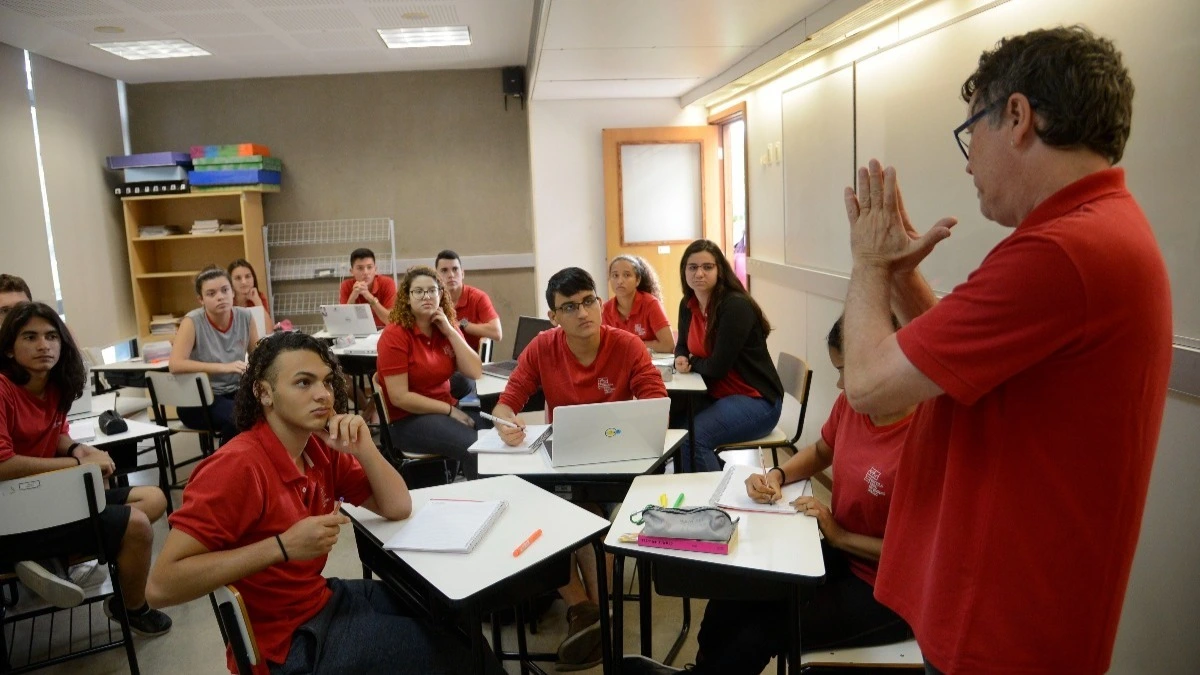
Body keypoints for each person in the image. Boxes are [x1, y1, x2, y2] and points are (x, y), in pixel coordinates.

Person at [840, 27, 1172, 674]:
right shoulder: (1093, 231)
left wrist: (868, 265)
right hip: (1014, 615)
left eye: (972, 133)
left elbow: (868, 385)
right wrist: (903, 275)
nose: (968, 162)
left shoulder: (1062, 253)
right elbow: (960, 366)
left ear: (1017, 117)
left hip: (1003, 629)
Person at [147, 331, 502, 674]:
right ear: (264, 393)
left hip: (318, 599)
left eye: (327, 382)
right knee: (463, 655)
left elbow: (397, 506)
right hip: (285, 646)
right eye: (304, 383)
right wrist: (282, 547)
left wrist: (364, 446)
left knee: (450, 616)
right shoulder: (237, 467)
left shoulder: (318, 447)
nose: (323, 395)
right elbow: (160, 587)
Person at [624, 316, 913, 675]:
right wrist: (776, 474)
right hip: (843, 554)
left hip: (892, 590)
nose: (840, 384)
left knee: (761, 631)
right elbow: (823, 450)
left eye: (846, 371)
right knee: (734, 592)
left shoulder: (926, 440)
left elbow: (923, 555)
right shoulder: (854, 406)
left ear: (889, 365)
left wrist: (840, 536)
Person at [491, 267, 667, 671]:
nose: (583, 312)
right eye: (569, 307)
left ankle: (589, 615)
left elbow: (655, 404)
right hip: (563, 463)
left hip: (620, 463)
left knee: (589, 520)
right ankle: (589, 611)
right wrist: (506, 425)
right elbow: (508, 401)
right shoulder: (542, 347)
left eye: (589, 300)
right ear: (554, 317)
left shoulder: (628, 345)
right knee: (538, 516)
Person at [0, 302, 171, 634]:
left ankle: (49, 558)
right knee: (136, 526)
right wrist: (77, 465)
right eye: (30, 337)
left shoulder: (53, 386)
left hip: (47, 498)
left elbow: (56, 434)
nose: (43, 345)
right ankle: (131, 607)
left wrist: (82, 449)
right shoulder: (3, 389)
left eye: (51, 336)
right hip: (11, 509)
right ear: (8, 348)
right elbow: (2, 463)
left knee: (153, 498)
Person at [674, 239, 783, 472]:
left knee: (694, 439)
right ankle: (691, 490)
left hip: (756, 400)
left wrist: (692, 362)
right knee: (675, 428)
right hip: (718, 395)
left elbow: (716, 367)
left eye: (707, 267)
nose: (699, 273)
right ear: (684, 271)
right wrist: (681, 357)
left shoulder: (735, 306)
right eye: (692, 267)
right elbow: (682, 344)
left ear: (720, 270)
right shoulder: (688, 304)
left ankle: (715, 502)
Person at [376, 266, 485, 479]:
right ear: (407, 298)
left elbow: (474, 371)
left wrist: (451, 331)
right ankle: (481, 505)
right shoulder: (395, 335)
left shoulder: (445, 325)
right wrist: (450, 411)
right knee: (475, 448)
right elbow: (400, 397)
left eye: (432, 290)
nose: (426, 296)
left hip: (442, 408)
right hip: (407, 419)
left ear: (441, 294)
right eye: (418, 291)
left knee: (497, 434)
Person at [169, 266, 261, 443]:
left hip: (236, 393)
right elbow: (176, 364)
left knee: (269, 414)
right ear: (200, 300)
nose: (220, 297)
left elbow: (258, 357)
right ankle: (226, 466)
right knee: (238, 417)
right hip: (198, 399)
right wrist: (223, 368)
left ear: (232, 293)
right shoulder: (192, 321)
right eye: (211, 293)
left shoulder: (245, 317)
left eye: (225, 290)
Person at [435, 249, 501, 400]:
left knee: (451, 383)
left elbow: (497, 332)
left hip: (466, 368)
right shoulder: (432, 299)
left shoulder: (477, 297)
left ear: (463, 273)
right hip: (440, 363)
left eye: (455, 269)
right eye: (444, 270)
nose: (451, 275)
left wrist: (460, 325)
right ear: (437, 276)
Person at [602, 254, 674, 353]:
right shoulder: (605, 309)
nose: (620, 281)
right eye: (615, 275)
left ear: (638, 280)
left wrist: (630, 344)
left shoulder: (651, 304)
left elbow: (668, 345)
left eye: (627, 275)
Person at [338, 248, 396, 329]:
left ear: (375, 269)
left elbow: (390, 320)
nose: (365, 272)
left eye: (369, 267)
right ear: (352, 271)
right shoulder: (346, 285)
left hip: (383, 331)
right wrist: (353, 296)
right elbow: (344, 322)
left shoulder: (387, 283)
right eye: (360, 268)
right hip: (357, 332)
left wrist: (369, 297)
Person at [228, 258, 273, 330]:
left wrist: (258, 302)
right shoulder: (226, 301)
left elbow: (269, 330)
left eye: (247, 276)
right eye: (238, 278)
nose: (244, 282)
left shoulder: (258, 297)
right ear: (230, 281)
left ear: (253, 278)